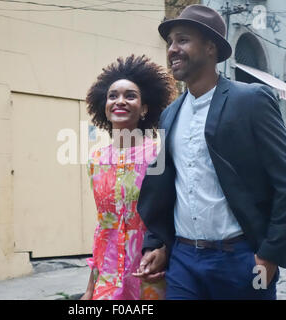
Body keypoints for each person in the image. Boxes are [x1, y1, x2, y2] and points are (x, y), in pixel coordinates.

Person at [133, 4, 286, 300]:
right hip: (184, 262)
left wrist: (269, 257)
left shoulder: (251, 100)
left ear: (211, 47)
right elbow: (163, 187)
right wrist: (157, 243)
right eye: (170, 42)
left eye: (183, 40)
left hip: (242, 259)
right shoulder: (170, 115)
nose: (172, 49)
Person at [81, 55, 175, 300]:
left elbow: (173, 211)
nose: (119, 101)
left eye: (130, 95)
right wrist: (90, 288)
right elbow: (103, 228)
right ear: (105, 105)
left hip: (151, 269)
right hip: (108, 276)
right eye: (113, 96)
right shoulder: (96, 159)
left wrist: (165, 250)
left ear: (145, 108)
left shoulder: (159, 152)